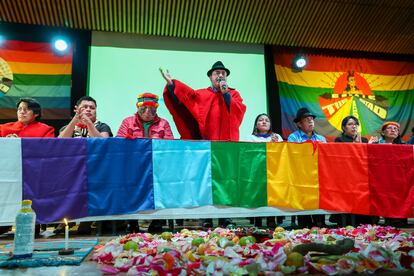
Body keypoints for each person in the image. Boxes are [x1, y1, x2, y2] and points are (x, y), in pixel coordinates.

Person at [117, 93, 174, 232]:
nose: (148, 113)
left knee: (162, 185)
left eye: (151, 110)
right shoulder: (127, 122)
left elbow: (169, 145)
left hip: (157, 166)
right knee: (129, 186)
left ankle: (158, 220)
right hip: (133, 166)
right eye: (144, 109)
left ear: (156, 110)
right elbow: (118, 143)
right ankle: (132, 220)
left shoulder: (164, 123)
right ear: (138, 108)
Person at [57, 96, 112, 235]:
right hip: (71, 169)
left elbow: (103, 143)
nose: (88, 110)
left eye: (92, 108)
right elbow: (59, 143)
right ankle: (66, 219)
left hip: (96, 168)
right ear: (77, 109)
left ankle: (87, 221)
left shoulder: (102, 126)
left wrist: (89, 124)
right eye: (85, 107)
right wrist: (75, 120)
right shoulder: (67, 126)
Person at [0, 98, 54, 235]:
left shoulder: (46, 129)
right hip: (7, 172)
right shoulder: (4, 128)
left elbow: (47, 150)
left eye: (26, 109)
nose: (22, 112)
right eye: (19, 109)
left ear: (35, 113)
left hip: (34, 172)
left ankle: (34, 225)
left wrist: (18, 142)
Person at [160, 61, 246, 141]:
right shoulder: (201, 94)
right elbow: (183, 101)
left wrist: (226, 94)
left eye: (223, 73)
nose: (220, 75)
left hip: (227, 144)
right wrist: (171, 84)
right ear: (210, 77)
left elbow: (238, 111)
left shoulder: (234, 94)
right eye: (217, 73)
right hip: (207, 143)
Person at [331, 116, 376, 226]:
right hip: (346, 176)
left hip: (362, 176)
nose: (354, 126)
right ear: (344, 127)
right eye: (350, 124)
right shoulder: (339, 140)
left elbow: (367, 158)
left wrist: (369, 147)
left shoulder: (364, 140)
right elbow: (342, 159)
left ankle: (364, 222)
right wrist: (355, 146)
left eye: (355, 124)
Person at [288, 107, 326, 228]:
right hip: (300, 174)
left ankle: (320, 221)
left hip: (318, 174)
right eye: (307, 119)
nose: (310, 121)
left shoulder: (321, 139)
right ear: (299, 123)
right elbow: (293, 158)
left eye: (312, 119)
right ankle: (304, 223)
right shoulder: (293, 138)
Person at [249, 113, 283, 228]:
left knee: (272, 194)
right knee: (258, 193)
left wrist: (276, 145)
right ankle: (257, 219)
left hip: (272, 171)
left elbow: (282, 155)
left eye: (266, 120)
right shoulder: (250, 138)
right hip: (256, 171)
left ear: (270, 125)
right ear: (256, 124)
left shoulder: (276, 137)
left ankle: (271, 218)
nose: (264, 122)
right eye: (261, 120)